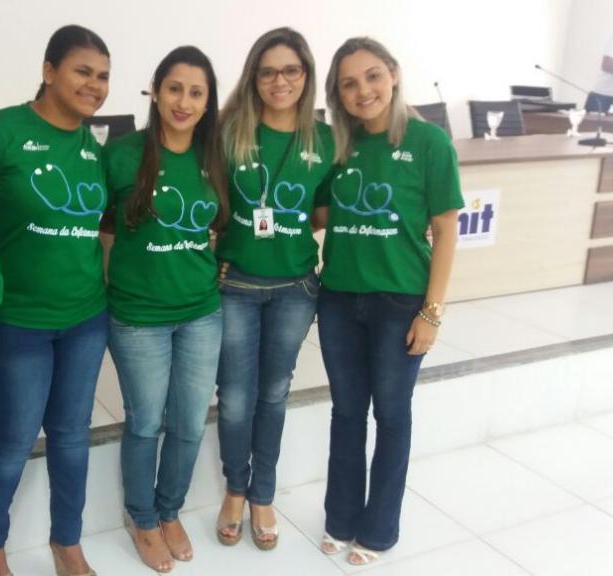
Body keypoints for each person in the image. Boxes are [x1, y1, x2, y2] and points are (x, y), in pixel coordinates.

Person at [0, 25, 110, 576]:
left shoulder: (93, 148)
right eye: (82, 71)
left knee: (72, 437)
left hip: (86, 319)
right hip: (19, 320)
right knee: (13, 439)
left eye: (103, 77)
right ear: (49, 71)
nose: (94, 85)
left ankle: (66, 543)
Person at [317, 37, 463, 566]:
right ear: (337, 93)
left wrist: (432, 312)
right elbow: (317, 214)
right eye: (349, 83)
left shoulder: (429, 142)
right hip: (338, 300)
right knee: (346, 413)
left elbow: (446, 230)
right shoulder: (337, 145)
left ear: (394, 74)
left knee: (392, 415)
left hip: (400, 303)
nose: (363, 91)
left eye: (373, 76)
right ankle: (340, 519)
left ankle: (378, 531)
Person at [103, 46, 227, 573]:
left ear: (208, 102)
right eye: (174, 88)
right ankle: (142, 517)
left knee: (191, 423)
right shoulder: (122, 155)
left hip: (201, 312)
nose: (183, 101)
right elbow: (101, 230)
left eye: (196, 93)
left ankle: (169, 509)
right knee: (145, 422)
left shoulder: (213, 156)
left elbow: (219, 226)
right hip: (138, 318)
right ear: (155, 91)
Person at [213, 27, 333, 551]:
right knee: (235, 399)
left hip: (295, 287)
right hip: (235, 284)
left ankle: (263, 493)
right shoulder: (228, 132)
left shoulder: (325, 139)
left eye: (290, 70)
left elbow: (324, 209)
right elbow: (209, 202)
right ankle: (235, 488)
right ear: (253, 78)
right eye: (267, 72)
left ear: (306, 75)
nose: (279, 81)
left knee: (274, 393)